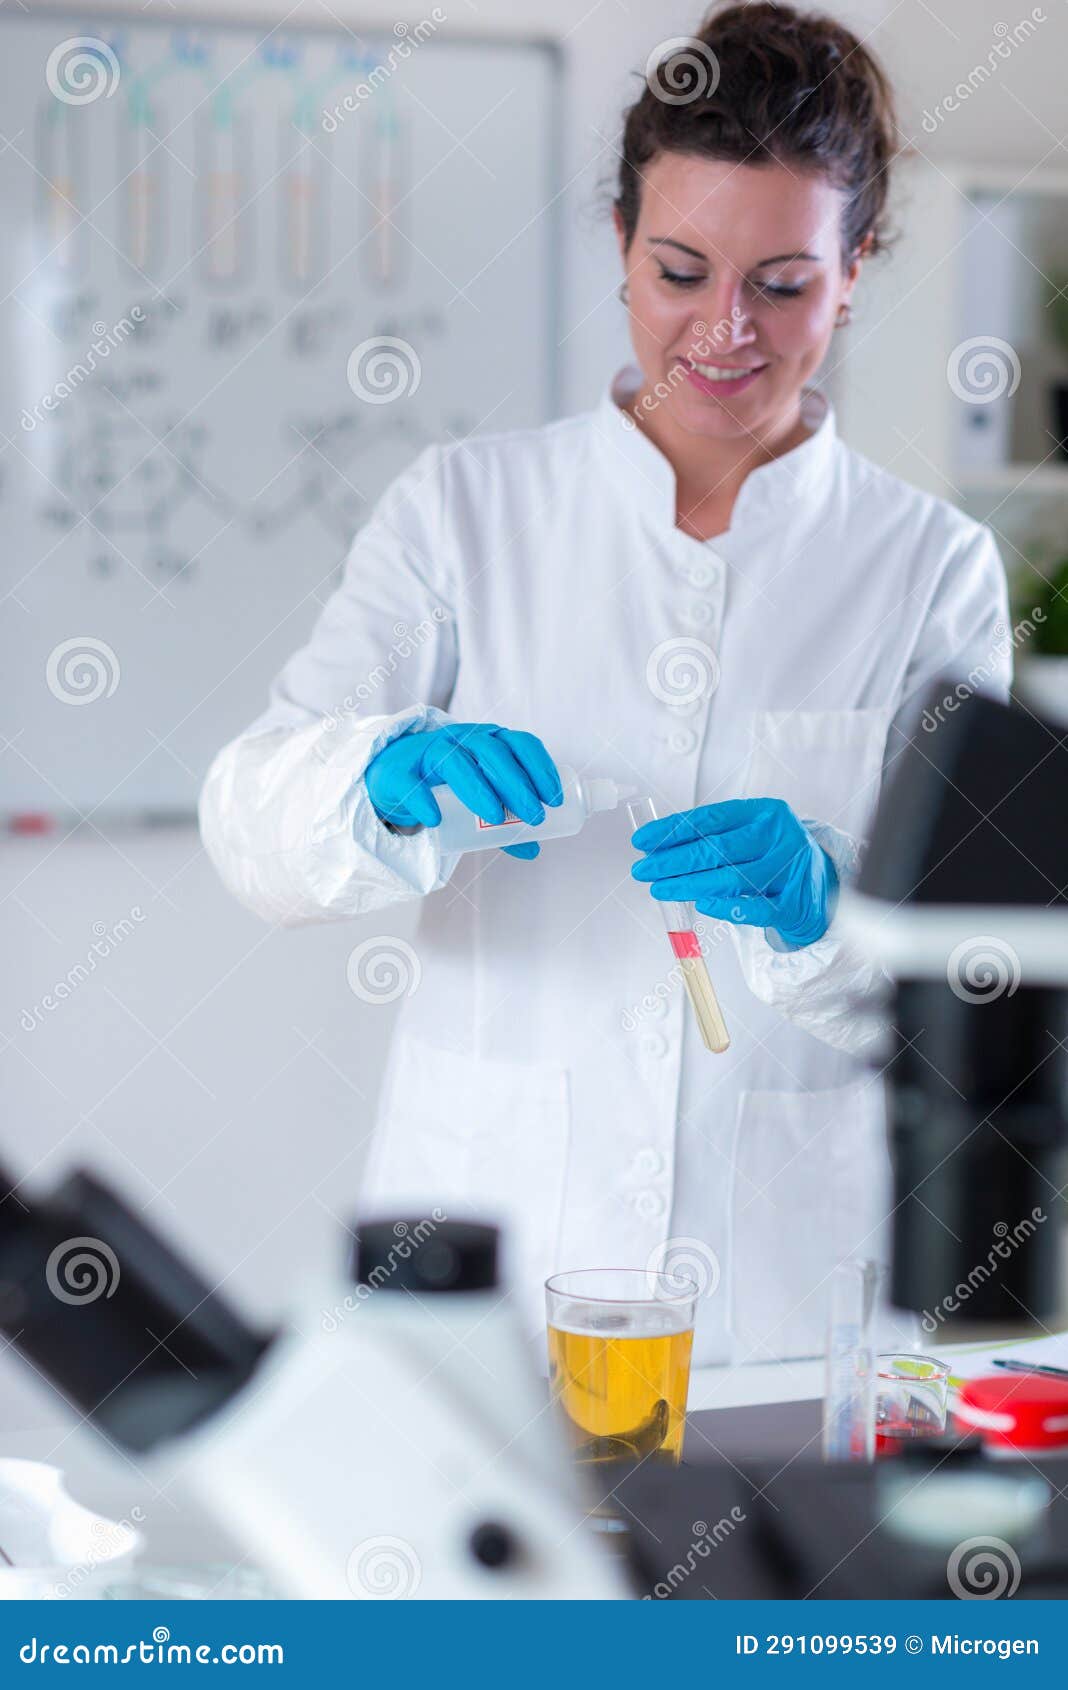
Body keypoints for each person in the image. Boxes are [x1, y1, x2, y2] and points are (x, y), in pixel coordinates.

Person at [200, 2, 1010, 1367]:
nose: (724, 331)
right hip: (495, 1236)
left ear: (855, 266)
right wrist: (379, 783)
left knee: (774, 1572)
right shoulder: (466, 509)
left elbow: (973, 987)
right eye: (680, 269)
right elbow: (251, 824)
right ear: (623, 242)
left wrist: (829, 905)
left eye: (784, 283)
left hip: (782, 1283)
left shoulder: (931, 567)